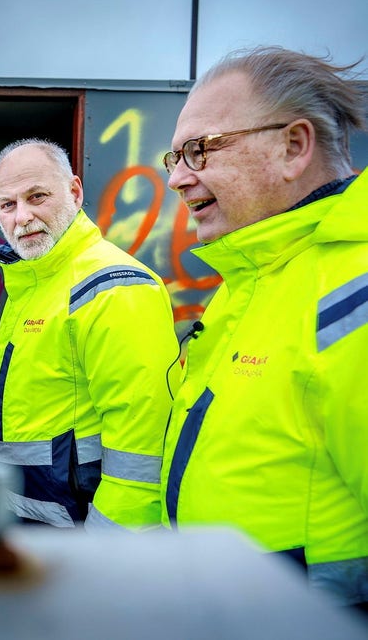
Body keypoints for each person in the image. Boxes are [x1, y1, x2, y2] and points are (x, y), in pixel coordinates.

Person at [159, 46, 368, 608]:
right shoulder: (253, 278)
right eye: (173, 157)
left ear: (292, 147)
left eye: (199, 151)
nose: (178, 179)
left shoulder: (353, 293)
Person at [0, 139, 181, 530]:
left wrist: (109, 558)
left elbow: (142, 458)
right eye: (7, 205)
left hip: (80, 536)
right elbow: (31, 380)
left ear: (74, 192)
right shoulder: (36, 279)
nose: (22, 217)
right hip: (33, 520)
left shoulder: (116, 289)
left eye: (37, 196)